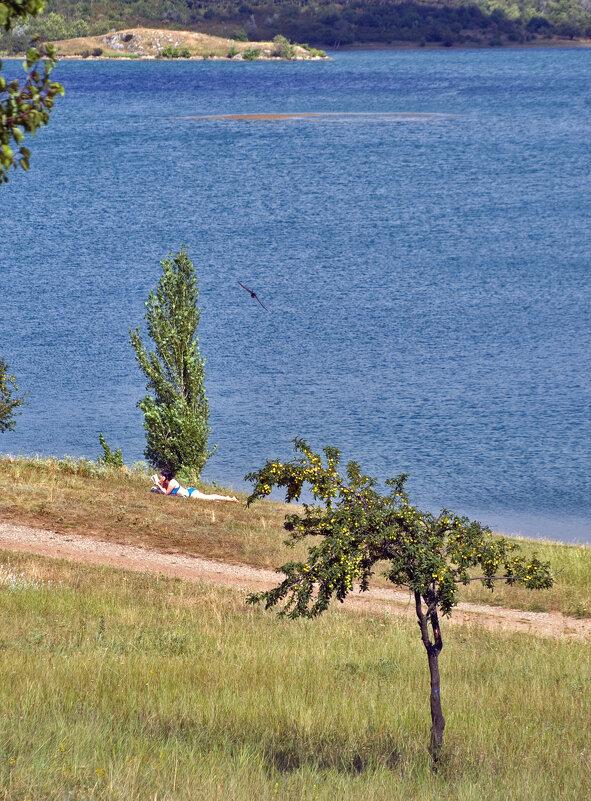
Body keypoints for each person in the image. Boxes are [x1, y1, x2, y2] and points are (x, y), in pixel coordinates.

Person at [151, 469, 239, 503]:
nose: (160, 477)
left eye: (162, 476)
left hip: (191, 494)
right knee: (210, 500)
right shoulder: (166, 482)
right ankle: (223, 499)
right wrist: (160, 483)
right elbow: (164, 491)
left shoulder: (172, 482)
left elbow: (166, 493)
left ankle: (231, 499)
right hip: (188, 491)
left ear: (166, 477)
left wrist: (158, 485)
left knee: (210, 497)